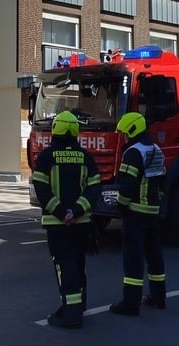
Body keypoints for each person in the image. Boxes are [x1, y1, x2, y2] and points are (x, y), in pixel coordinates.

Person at [31, 110, 101, 329]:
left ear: (56, 129)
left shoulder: (46, 156)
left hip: (58, 223)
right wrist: (78, 211)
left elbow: (41, 188)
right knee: (79, 263)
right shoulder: (86, 157)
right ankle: (80, 304)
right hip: (82, 223)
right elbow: (94, 187)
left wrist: (61, 212)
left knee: (65, 265)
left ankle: (71, 314)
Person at [109, 112, 167, 316]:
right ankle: (159, 297)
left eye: (125, 133)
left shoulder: (133, 153)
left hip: (135, 212)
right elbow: (162, 182)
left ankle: (130, 303)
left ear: (132, 130)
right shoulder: (156, 150)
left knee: (133, 259)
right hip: (152, 211)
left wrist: (120, 205)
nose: (124, 137)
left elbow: (128, 185)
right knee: (154, 256)